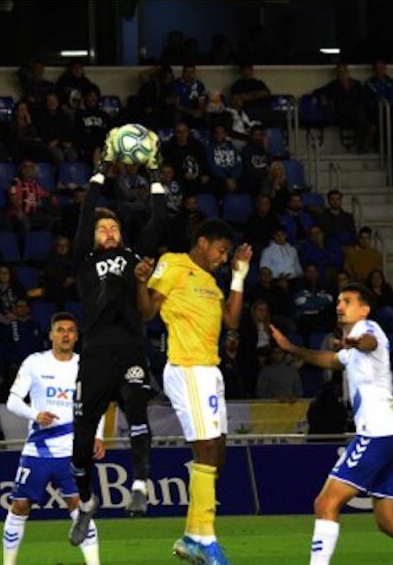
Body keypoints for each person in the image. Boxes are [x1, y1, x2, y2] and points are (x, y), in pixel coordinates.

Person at [269, 285, 393, 565]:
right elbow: (330, 360)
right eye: (339, 300)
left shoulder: (368, 328)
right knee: (388, 521)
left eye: (348, 301)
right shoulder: (351, 347)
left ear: (364, 309)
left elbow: (370, 342)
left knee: (325, 504)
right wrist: (293, 348)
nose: (340, 305)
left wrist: (353, 343)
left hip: (377, 433)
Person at [134, 219, 252, 565]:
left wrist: (239, 275)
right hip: (187, 368)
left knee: (218, 453)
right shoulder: (173, 263)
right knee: (205, 450)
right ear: (202, 242)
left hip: (210, 371)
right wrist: (140, 283)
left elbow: (231, 320)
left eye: (226, 252)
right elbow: (147, 311)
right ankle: (206, 539)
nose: (222, 256)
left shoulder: (211, 281)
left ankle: (191, 536)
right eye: (221, 250)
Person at [68, 144, 166, 531]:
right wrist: (102, 170)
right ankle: (88, 503)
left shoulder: (132, 258)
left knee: (137, 409)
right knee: (80, 445)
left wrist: (155, 174)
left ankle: (140, 484)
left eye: (113, 228)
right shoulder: (83, 260)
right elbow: (84, 212)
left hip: (129, 350)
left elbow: (158, 220)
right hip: (93, 357)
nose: (109, 232)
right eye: (102, 229)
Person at [3, 313, 104, 565]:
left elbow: (96, 404)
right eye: (60, 330)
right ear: (51, 335)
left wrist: (98, 435)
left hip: (73, 451)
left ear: (77, 336)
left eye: (70, 330)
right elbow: (13, 401)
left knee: (80, 508)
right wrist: (35, 414)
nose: (65, 334)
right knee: (19, 507)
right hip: (38, 450)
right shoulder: (35, 363)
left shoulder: (87, 365)